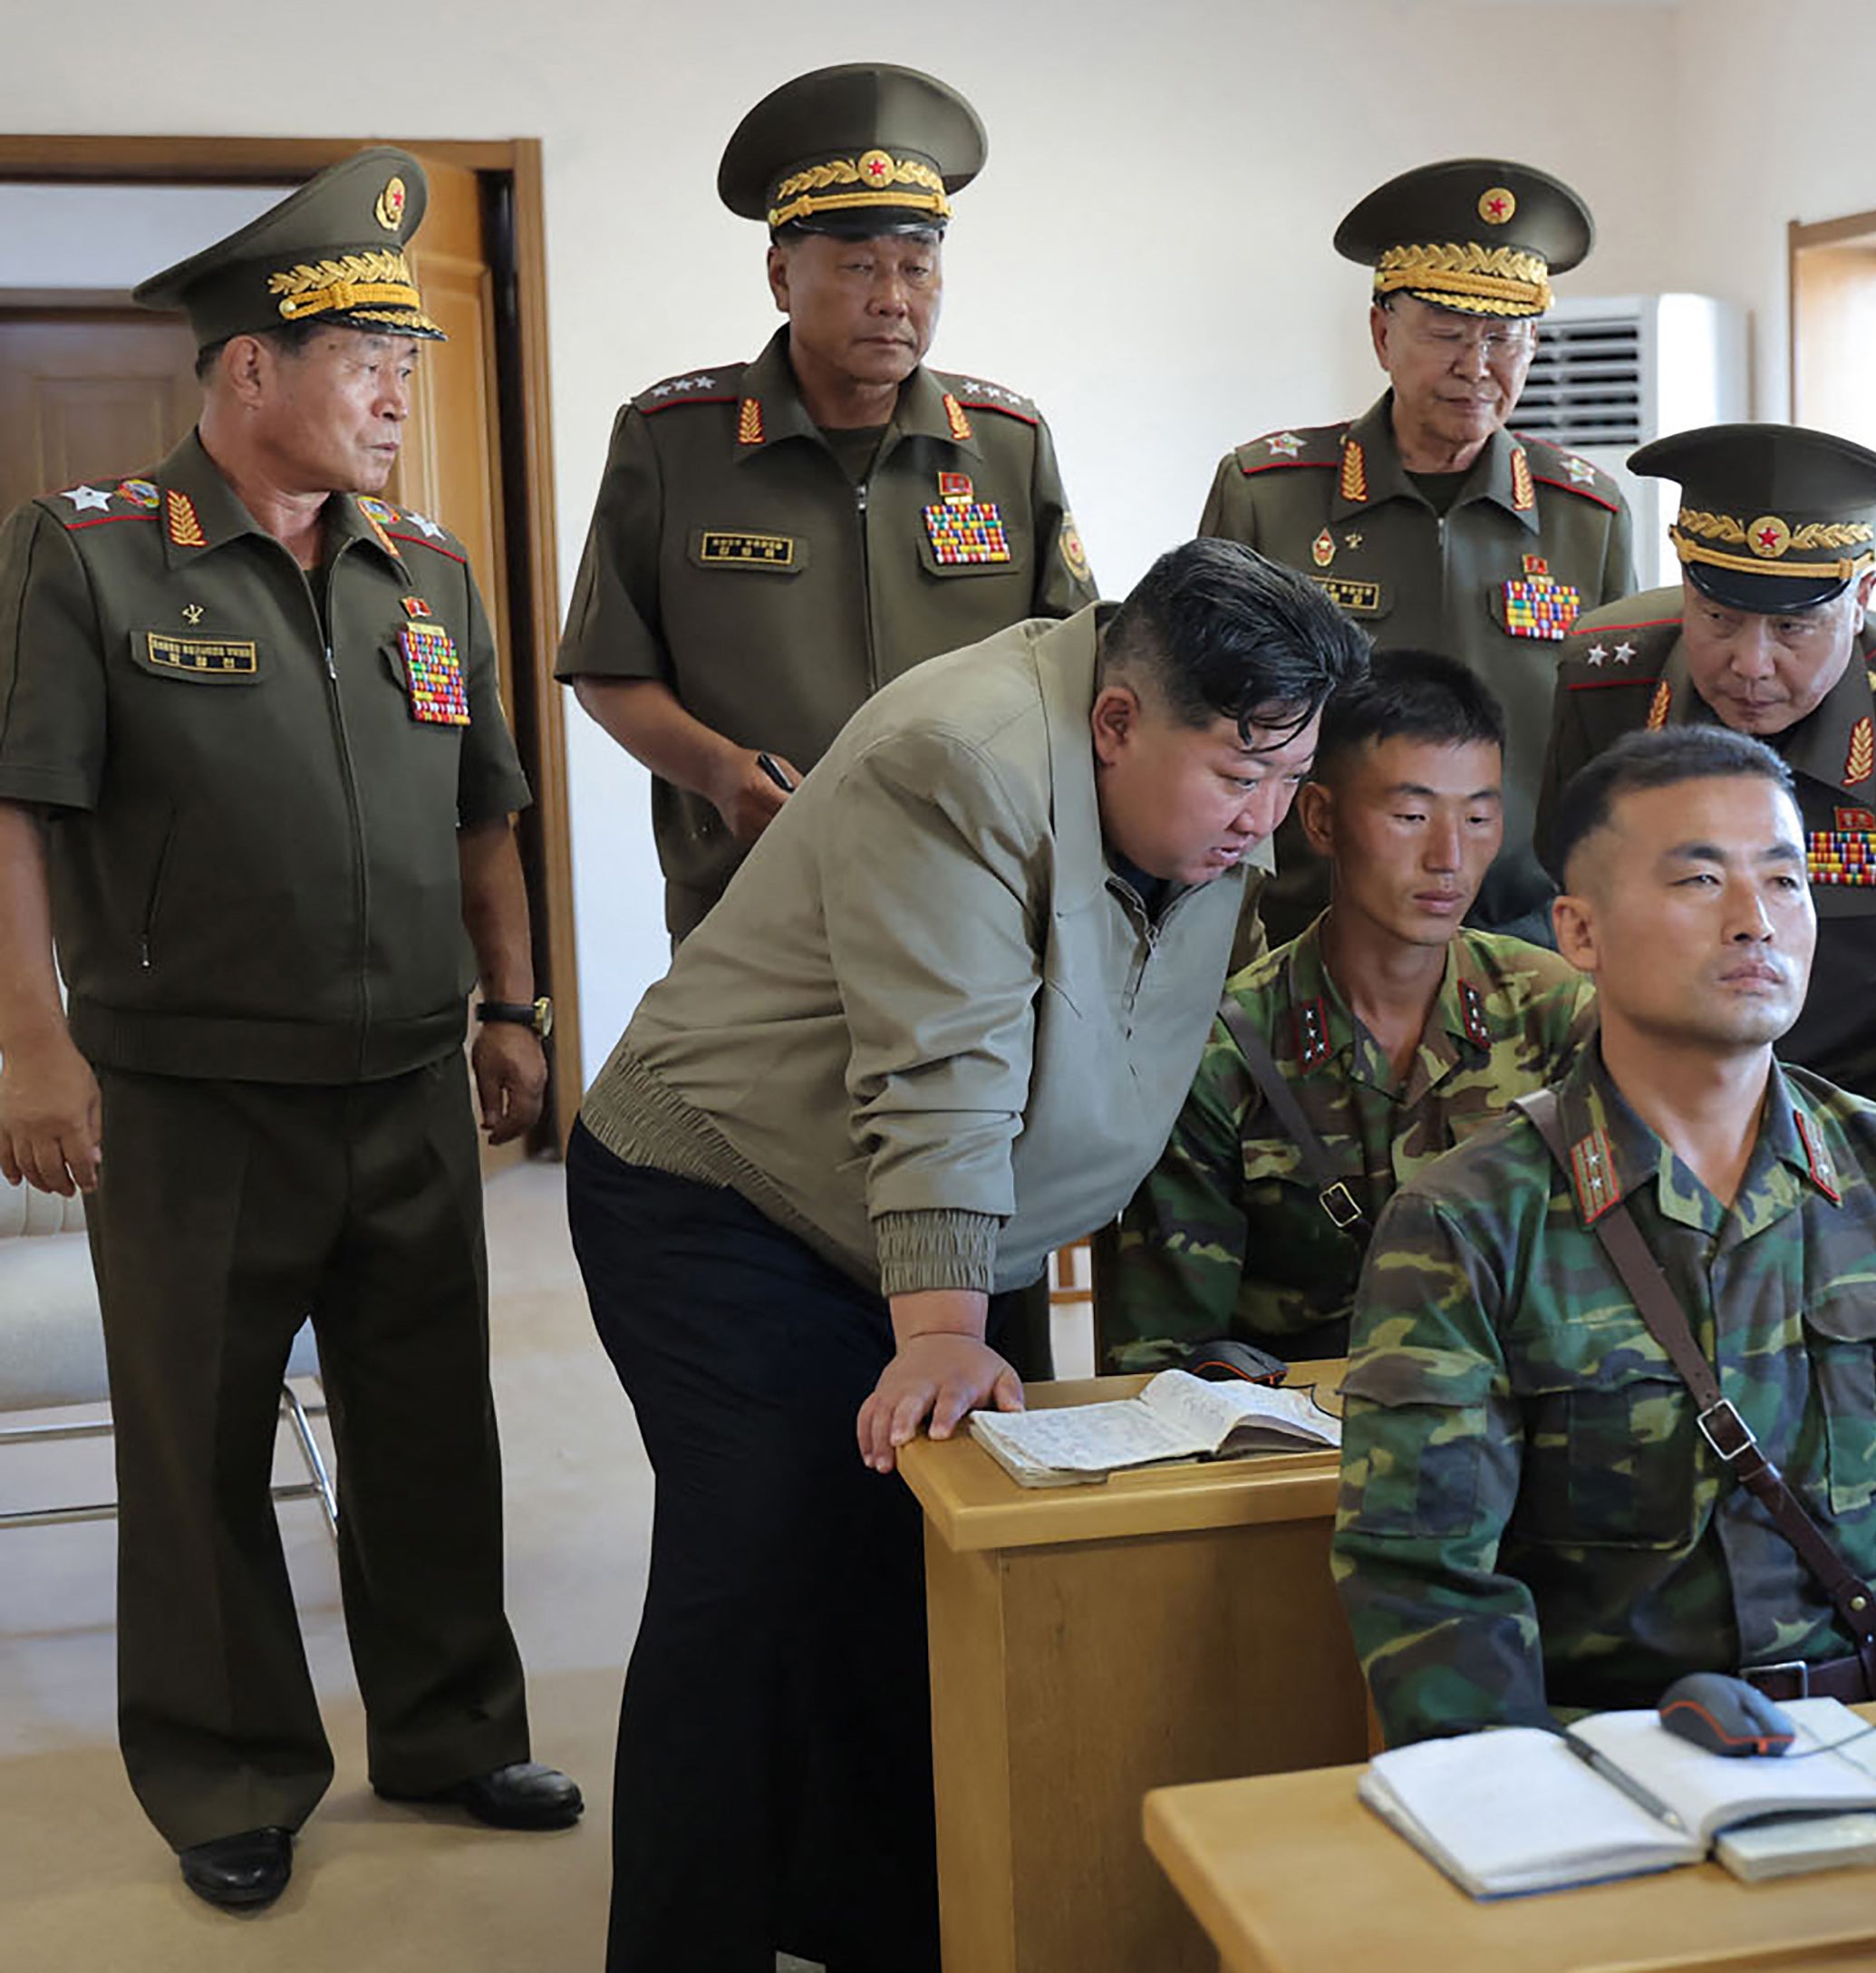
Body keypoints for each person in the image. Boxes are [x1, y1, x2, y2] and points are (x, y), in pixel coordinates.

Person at [563, 538, 1364, 1971]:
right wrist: (937, 1328)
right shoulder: (959, 757)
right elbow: (939, 1067)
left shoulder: (1197, 771)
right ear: (1117, 722)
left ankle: (879, 1920)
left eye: (1291, 778)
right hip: (727, 1197)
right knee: (752, 1583)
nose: (1268, 817)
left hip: (956, 1222)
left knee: (926, 1583)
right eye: (1240, 778)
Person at [0, 149, 576, 1912]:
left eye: (410, 355)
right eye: (364, 358)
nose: (401, 389)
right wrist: (32, 1044)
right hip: (187, 1096)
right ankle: (229, 1766)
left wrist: (514, 1002)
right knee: (199, 1442)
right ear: (249, 370)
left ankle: (454, 1725)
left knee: (428, 1424)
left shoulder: (430, 571)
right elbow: (16, 805)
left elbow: (489, 809)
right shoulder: (88, 557)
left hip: (406, 1072)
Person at [1331, 727, 1876, 1746]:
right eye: (1699, 881)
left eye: (1785, 881)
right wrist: (1525, 1819)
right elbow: (1429, 1589)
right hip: (1599, 1769)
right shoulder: (1468, 1218)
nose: (1754, 921)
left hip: (1873, 1752)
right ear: (1581, 931)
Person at [558, 63, 1093, 941]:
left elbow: (1075, 666)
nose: (893, 299)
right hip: (747, 905)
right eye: (858, 266)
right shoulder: (674, 439)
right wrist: (722, 772)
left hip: (969, 902)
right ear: (780, 275)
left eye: (918, 268)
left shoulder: (1006, 442)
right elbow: (608, 665)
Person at [1542, 424, 1876, 1146]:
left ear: (1861, 600)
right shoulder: (1605, 680)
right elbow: (1572, 900)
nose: (1752, 664)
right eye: (1719, 619)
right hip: (1648, 1105)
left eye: (1794, 628)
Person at [1103, 650, 1593, 1371]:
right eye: (1410, 815)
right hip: (1287, 1452)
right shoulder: (1225, 1051)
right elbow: (1160, 1355)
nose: (1449, 856)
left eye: (1480, 816)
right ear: (1323, 820)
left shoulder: (1554, 1012)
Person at [1200, 157, 1633, 943]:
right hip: (1308, 933)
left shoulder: (1587, 515)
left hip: (1522, 940)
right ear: (1381, 334)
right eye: (1446, 334)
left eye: (1504, 338)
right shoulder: (1268, 492)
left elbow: (1615, 747)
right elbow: (1205, 727)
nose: (1476, 368)